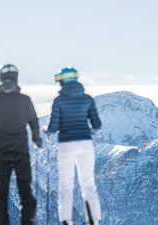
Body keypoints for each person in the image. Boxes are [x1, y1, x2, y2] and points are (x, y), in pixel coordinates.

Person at [0, 64, 42, 225]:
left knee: (1, 193)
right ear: (16, 78)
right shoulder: (25, 100)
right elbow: (33, 122)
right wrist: (36, 139)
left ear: (1, 78)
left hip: (1, 153)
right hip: (21, 152)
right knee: (25, 191)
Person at [45, 66, 102, 225]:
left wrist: (46, 130)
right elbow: (97, 125)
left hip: (66, 145)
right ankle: (94, 219)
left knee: (65, 184)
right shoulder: (87, 99)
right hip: (85, 143)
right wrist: (88, 131)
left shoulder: (59, 101)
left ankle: (65, 220)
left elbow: (53, 127)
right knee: (88, 183)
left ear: (62, 81)